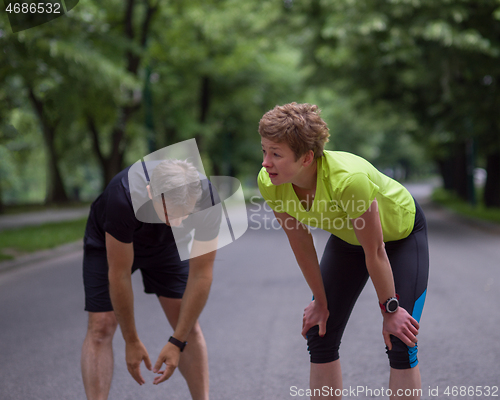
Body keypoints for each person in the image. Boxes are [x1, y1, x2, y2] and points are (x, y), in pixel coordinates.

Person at [257, 103, 429, 400]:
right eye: (264, 151)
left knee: (401, 339)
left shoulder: (348, 181)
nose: (265, 163)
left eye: (276, 154)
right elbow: (301, 244)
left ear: (307, 157)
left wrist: (390, 310)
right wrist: (320, 302)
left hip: (400, 237)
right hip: (349, 240)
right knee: (320, 331)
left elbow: (375, 251)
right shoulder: (271, 183)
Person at [81, 158, 221, 400]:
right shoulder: (122, 197)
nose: (176, 221)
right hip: (113, 240)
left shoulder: (207, 199)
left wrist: (177, 341)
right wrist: (131, 340)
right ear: (150, 192)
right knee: (101, 326)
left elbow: (202, 273)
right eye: (168, 212)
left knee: (187, 326)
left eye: (184, 213)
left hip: (167, 245)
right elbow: (119, 274)